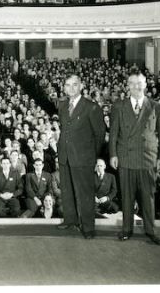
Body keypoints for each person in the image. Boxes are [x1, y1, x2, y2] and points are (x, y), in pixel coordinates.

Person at [110, 70, 160, 245]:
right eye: (132, 83)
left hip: (148, 159)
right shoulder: (118, 106)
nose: (136, 86)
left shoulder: (156, 106)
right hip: (126, 157)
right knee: (127, 196)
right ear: (127, 86)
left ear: (145, 84)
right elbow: (113, 133)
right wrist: (113, 154)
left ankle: (150, 230)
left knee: (148, 196)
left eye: (139, 83)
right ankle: (127, 229)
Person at [56, 74, 106, 239]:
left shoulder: (91, 107)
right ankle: (70, 219)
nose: (71, 88)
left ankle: (88, 227)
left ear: (81, 86)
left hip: (83, 158)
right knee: (67, 191)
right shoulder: (62, 105)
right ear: (64, 87)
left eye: (74, 85)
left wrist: (91, 155)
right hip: (65, 156)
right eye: (67, 85)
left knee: (84, 194)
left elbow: (99, 135)